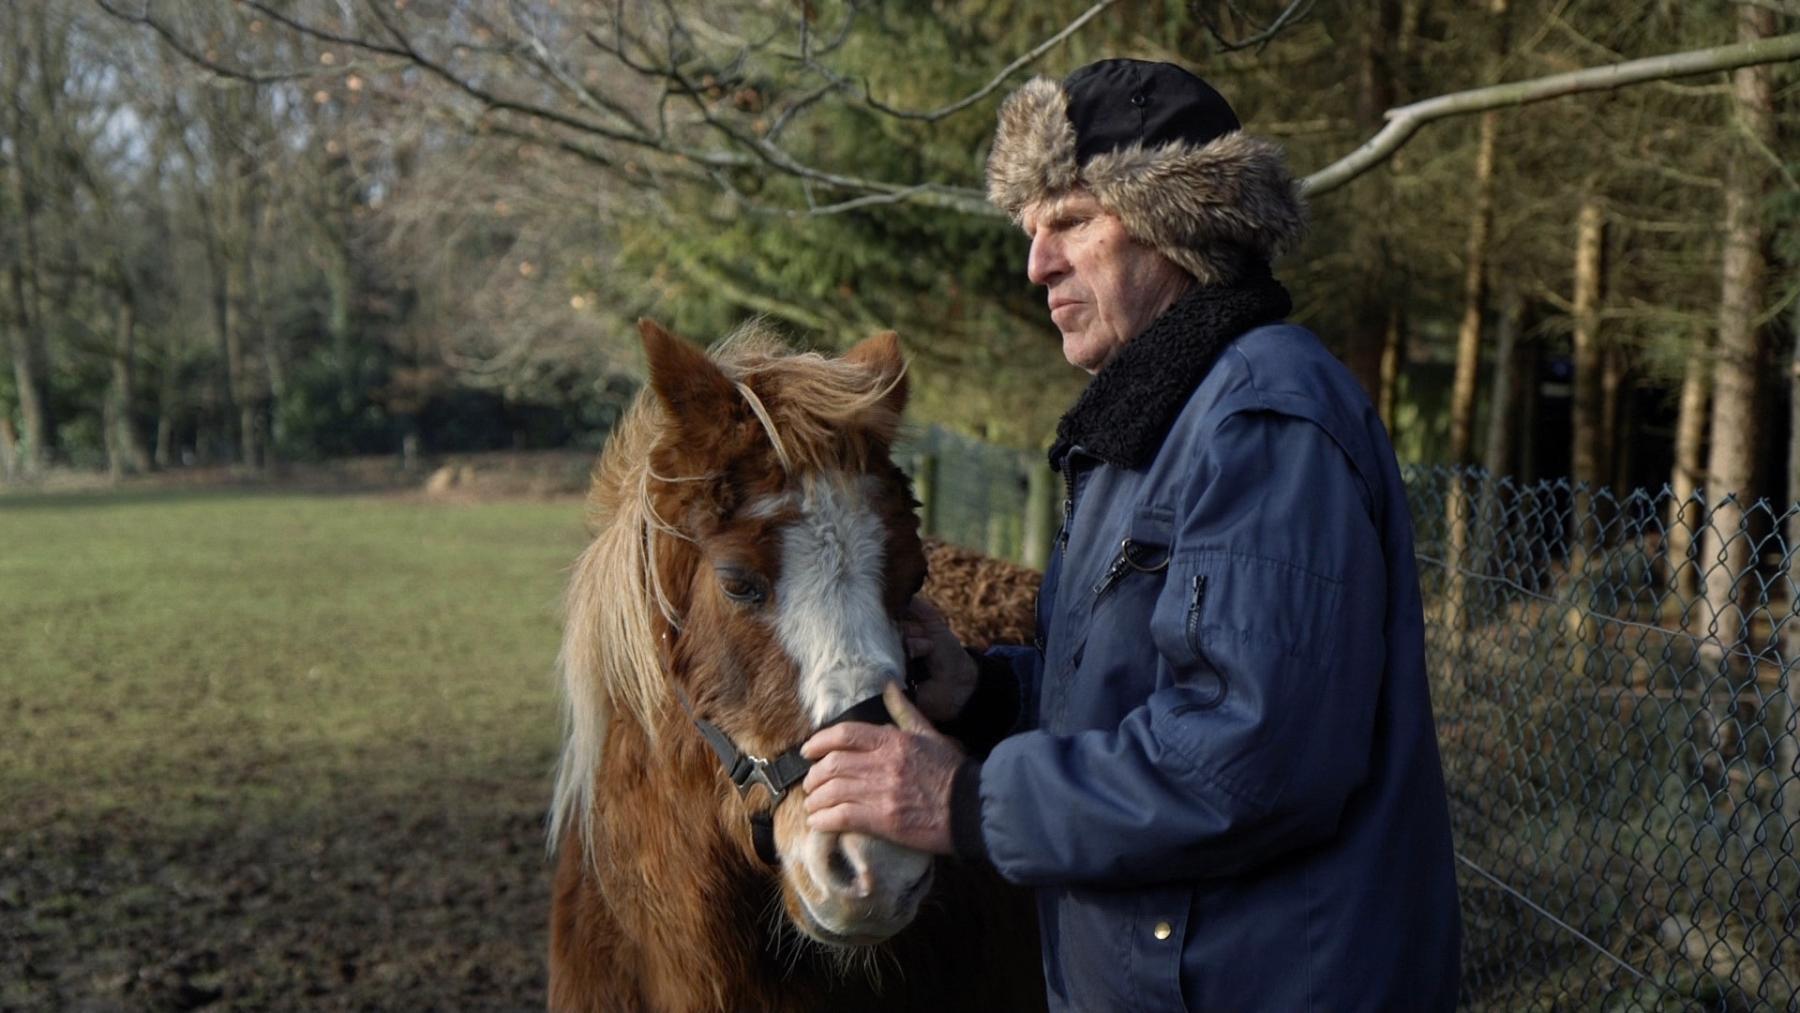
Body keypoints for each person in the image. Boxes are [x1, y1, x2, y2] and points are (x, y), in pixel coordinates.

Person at [800, 59, 1461, 1011]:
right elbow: (1138, 698)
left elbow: (1252, 756)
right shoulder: (1146, 424)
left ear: (1179, 222)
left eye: (1070, 221)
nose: (1037, 265)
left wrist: (961, 801)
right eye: (1032, 232)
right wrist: (985, 694)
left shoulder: (1261, 423)